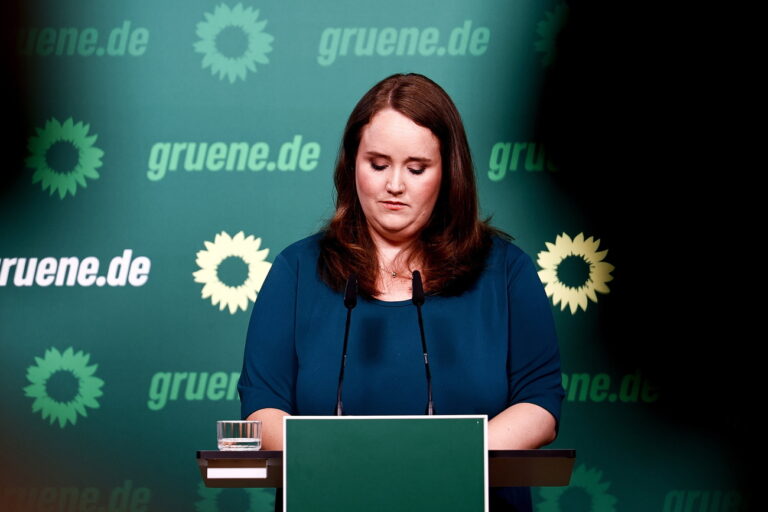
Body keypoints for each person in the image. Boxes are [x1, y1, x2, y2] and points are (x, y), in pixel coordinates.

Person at [238, 73, 564, 511]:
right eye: (377, 164)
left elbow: (540, 403)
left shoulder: (505, 271)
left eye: (416, 168)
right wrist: (363, 461)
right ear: (351, 163)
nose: (395, 185)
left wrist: (439, 460)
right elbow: (261, 407)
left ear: (449, 172)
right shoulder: (296, 271)